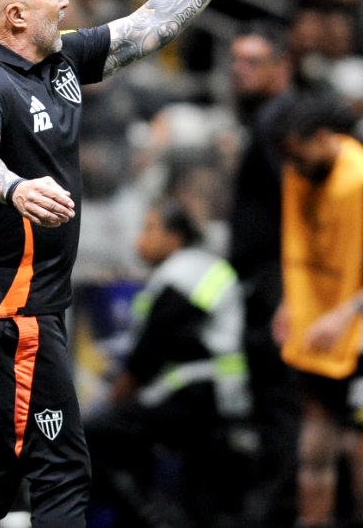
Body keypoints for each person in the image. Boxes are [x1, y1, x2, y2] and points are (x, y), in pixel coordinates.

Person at [0, 0, 292, 526]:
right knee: (62, 468)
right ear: (16, 16)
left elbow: (145, 25)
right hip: (6, 311)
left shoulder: (57, 62)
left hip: (21, 309)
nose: (65, 1)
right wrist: (14, 188)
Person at [272, 94, 363, 528]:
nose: (295, 166)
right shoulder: (299, 175)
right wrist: (289, 302)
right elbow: (303, 250)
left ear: (323, 138)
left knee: (357, 448)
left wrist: (347, 312)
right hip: (316, 326)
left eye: (300, 154)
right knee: (313, 446)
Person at [86, 200, 251, 528]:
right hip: (214, 396)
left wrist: (112, 401)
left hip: (197, 395)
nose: (140, 240)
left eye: (149, 229)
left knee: (90, 436)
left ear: (174, 237)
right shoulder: (198, 267)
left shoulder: (183, 274)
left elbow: (149, 353)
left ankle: (152, 519)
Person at [225, 26, 298, 527]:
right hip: (271, 284)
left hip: (279, 287)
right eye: (236, 61)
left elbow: (299, 206)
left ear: (281, 66)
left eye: (252, 61)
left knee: (281, 407)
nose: (239, 71)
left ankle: (281, 512)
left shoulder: (280, 120)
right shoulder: (269, 119)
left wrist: (291, 292)